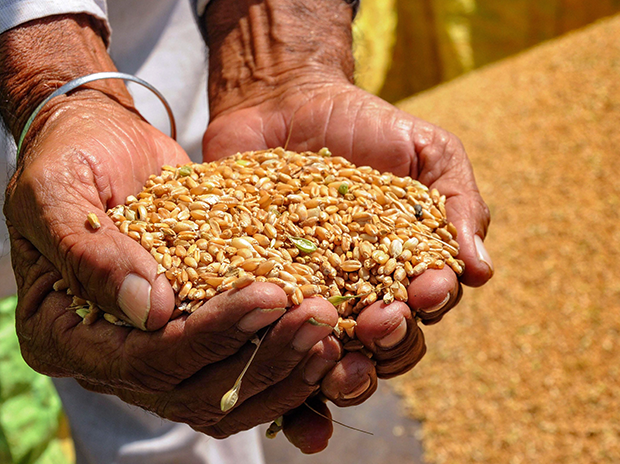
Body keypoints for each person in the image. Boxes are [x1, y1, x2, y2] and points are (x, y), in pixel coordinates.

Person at [0, 0, 494, 462]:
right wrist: (51, 89)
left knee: (196, 390)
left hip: (165, 109)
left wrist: (287, 54)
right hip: (76, 144)